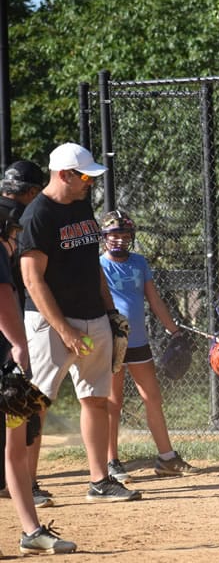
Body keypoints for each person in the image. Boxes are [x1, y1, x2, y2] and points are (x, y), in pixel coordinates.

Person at [19, 142, 141, 503]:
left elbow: (91, 265)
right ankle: (27, 484)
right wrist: (65, 330)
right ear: (64, 175)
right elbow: (32, 280)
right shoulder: (38, 215)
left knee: (96, 399)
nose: (91, 182)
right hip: (51, 322)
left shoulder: (82, 205)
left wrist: (110, 311)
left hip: (93, 316)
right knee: (37, 402)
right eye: (85, 177)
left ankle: (100, 481)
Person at [98, 209, 197, 482]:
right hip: (113, 340)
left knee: (152, 397)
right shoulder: (99, 265)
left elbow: (154, 301)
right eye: (114, 234)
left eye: (125, 234)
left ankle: (167, 458)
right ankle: (111, 462)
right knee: (113, 402)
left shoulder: (139, 263)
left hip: (139, 342)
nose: (120, 239)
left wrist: (175, 332)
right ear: (104, 237)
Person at [0, 206, 76, 554]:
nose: (16, 241)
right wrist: (20, 345)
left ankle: (32, 532)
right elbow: (3, 297)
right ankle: (31, 531)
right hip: (7, 369)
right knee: (15, 450)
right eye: (13, 234)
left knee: (15, 449)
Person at [0, 160, 51, 508]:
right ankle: (20, 486)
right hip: (12, 329)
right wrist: (19, 342)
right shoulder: (18, 216)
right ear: (32, 192)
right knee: (17, 417)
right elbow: (5, 290)